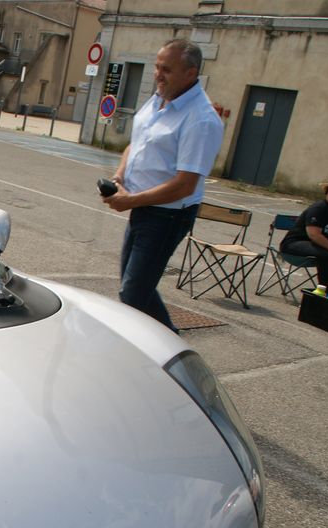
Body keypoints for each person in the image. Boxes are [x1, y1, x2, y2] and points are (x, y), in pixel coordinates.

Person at [101, 39, 224, 332]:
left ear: (190, 73)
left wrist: (131, 200)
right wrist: (119, 178)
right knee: (134, 289)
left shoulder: (201, 120)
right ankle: (165, 342)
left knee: (133, 293)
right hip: (142, 207)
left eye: (166, 69)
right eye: (157, 67)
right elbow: (136, 143)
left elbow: (185, 185)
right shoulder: (158, 99)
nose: (158, 74)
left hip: (167, 216)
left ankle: (169, 345)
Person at [280, 175, 328, 292]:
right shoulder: (318, 209)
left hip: (319, 248)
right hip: (293, 245)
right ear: (327, 192)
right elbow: (314, 235)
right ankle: (326, 292)